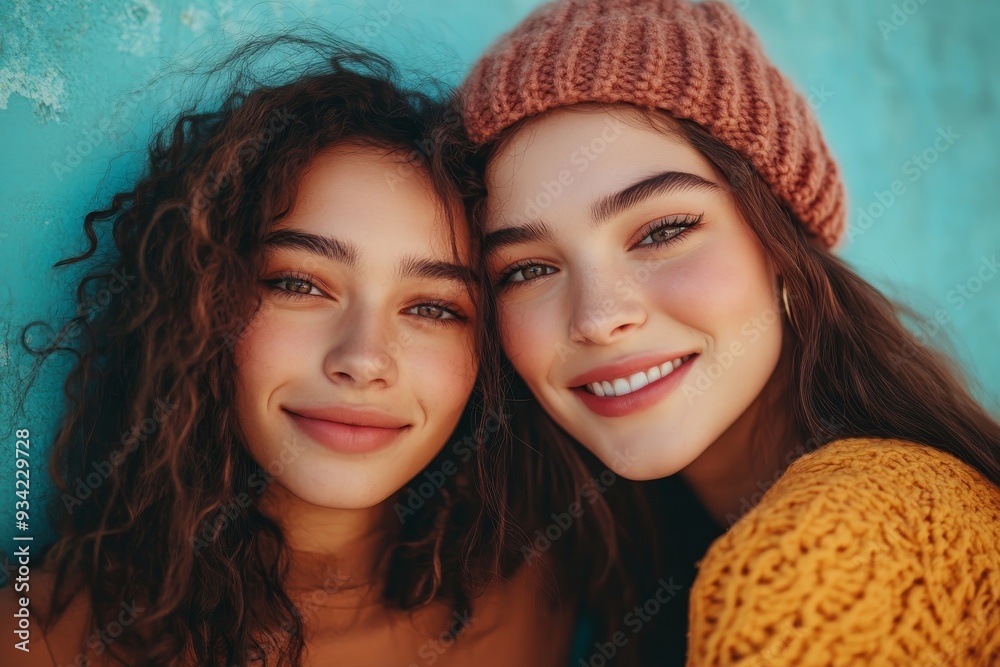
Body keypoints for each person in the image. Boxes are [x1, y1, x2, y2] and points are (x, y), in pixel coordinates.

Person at [457, 0, 1000, 664]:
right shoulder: (621, 558)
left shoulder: (823, 563)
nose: (598, 317)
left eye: (663, 231)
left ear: (782, 248)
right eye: (529, 268)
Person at [0, 37, 572, 666]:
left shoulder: (531, 603)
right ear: (202, 302)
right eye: (298, 284)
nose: (363, 359)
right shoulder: (34, 638)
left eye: (433, 308)